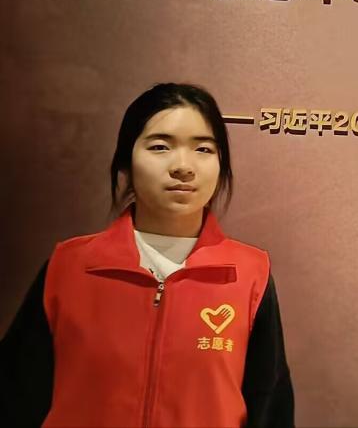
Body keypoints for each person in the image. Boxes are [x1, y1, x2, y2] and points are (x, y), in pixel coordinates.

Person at [0, 83, 294, 427]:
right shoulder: (70, 267)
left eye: (203, 149)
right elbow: (14, 399)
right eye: (160, 146)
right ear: (126, 161)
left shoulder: (249, 275)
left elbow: (270, 409)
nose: (183, 166)